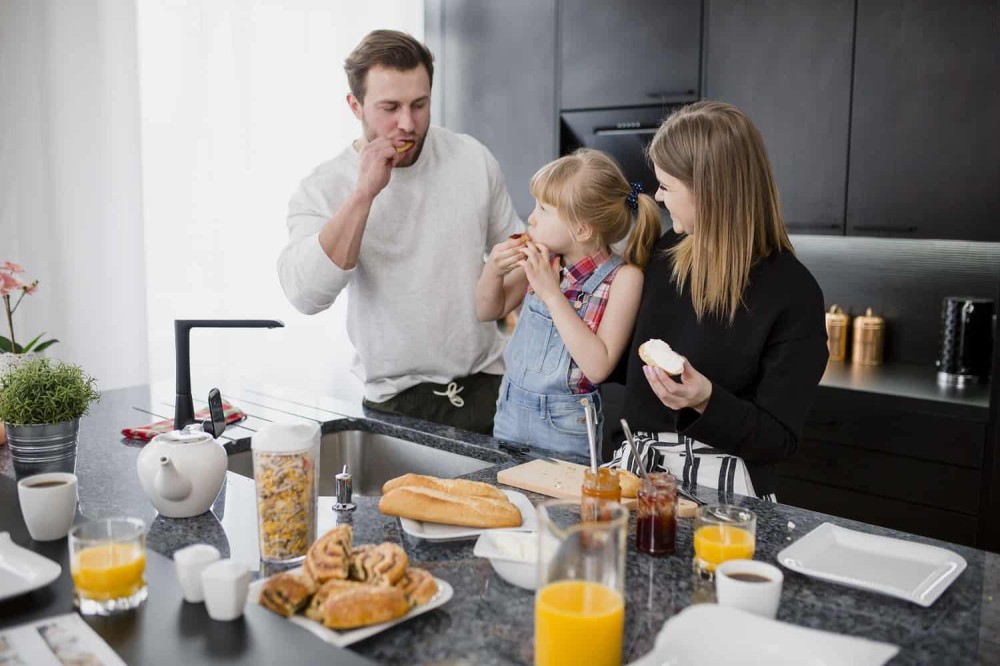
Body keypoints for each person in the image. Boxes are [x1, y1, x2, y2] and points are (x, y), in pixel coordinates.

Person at [277, 30, 523, 435]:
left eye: (420, 105)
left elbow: (516, 256)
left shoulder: (471, 158)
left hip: (490, 389)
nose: (407, 124)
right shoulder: (324, 186)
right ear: (354, 105)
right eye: (389, 107)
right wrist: (364, 194)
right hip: (396, 403)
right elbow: (305, 295)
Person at [607, 101, 828, 501]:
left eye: (667, 186)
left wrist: (705, 399)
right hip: (638, 475)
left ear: (710, 191)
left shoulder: (794, 293)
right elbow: (620, 371)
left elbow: (778, 440)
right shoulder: (663, 256)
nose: (657, 197)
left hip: (725, 494)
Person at [476, 149, 661, 456]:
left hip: (565, 427)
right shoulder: (543, 260)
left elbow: (598, 366)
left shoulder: (624, 278)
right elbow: (487, 310)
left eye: (544, 210)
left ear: (582, 228)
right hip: (509, 412)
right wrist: (493, 270)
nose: (531, 218)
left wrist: (550, 293)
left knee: (561, 505)